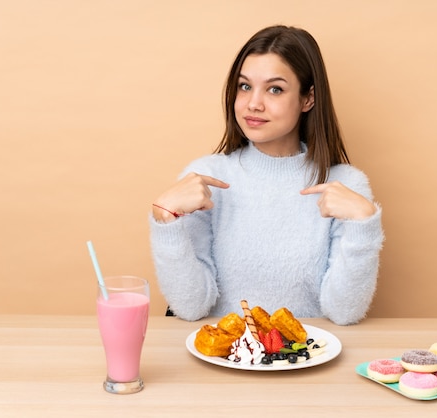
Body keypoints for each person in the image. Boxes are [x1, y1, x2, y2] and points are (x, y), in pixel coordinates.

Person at [149, 25, 384, 325]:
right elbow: (191, 307)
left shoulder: (346, 185)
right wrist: (165, 221)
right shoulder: (206, 178)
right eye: (245, 86)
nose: (253, 104)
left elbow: (345, 312)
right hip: (224, 362)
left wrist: (363, 225)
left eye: (275, 89)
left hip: (306, 362)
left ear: (308, 98)